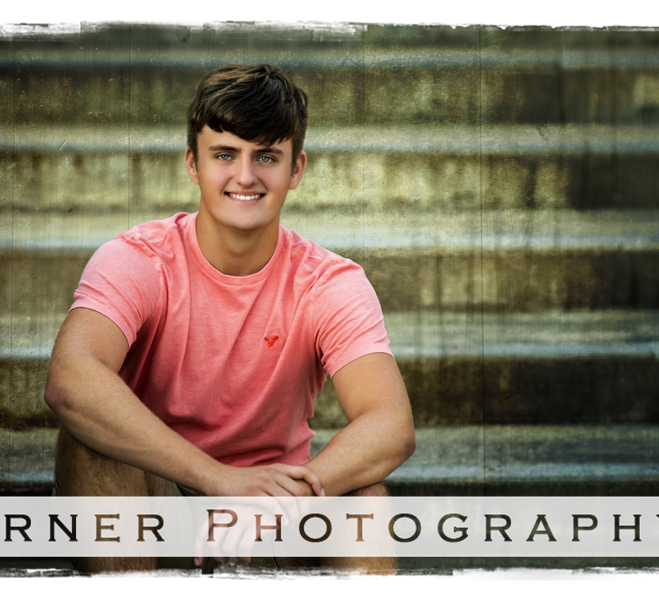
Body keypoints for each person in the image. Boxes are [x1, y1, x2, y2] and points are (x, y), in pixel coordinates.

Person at [44, 63, 415, 574]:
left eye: (266, 156)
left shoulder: (329, 282)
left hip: (275, 512)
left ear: (296, 169)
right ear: (193, 165)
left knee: (364, 498)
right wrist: (218, 479)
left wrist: (285, 496)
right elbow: (71, 381)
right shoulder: (137, 259)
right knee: (91, 445)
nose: (245, 176)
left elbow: (390, 422)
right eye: (225, 154)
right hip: (157, 499)